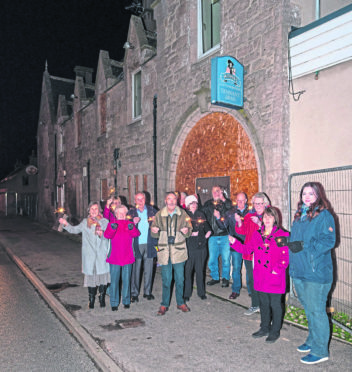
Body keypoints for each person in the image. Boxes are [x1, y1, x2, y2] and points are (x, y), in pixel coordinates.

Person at [289, 182, 336, 365]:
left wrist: (305, 247)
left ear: (318, 195)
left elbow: (329, 241)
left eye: (311, 193)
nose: (307, 196)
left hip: (316, 273)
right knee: (308, 309)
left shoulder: (324, 216)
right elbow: (296, 241)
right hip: (300, 271)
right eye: (304, 193)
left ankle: (320, 350)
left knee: (317, 311)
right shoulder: (300, 215)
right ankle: (312, 339)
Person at [230, 206, 289, 343]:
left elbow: (285, 257)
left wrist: (277, 270)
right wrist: (234, 242)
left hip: (275, 276)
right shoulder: (257, 234)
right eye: (265, 217)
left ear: (275, 219)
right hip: (261, 276)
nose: (267, 219)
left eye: (270, 217)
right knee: (263, 303)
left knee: (275, 304)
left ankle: (275, 331)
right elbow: (247, 249)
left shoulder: (282, 235)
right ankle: (264, 328)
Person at [59, 202, 110, 309]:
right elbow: (74, 230)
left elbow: (109, 236)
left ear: (99, 210)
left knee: (102, 277)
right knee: (91, 277)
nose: (94, 211)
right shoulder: (85, 222)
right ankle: (91, 299)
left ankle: (101, 298)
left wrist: (103, 235)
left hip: (101, 254)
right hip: (89, 255)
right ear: (89, 211)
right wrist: (65, 224)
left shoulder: (105, 222)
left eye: (96, 209)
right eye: (92, 209)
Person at [151, 192, 192, 315]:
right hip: (164, 252)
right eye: (169, 199)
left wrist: (186, 231)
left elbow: (189, 230)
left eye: (174, 199)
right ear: (165, 200)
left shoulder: (183, 214)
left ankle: (180, 302)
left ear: (177, 201)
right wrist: (154, 231)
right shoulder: (159, 215)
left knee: (180, 279)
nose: (172, 201)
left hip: (179, 252)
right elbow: (154, 235)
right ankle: (164, 304)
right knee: (166, 280)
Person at [235, 192, 270, 315]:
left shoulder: (270, 215)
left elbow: (273, 232)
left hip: (265, 254)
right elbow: (243, 231)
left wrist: (260, 224)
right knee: (252, 279)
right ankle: (255, 305)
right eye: (256, 203)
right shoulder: (250, 215)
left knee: (264, 279)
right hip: (250, 253)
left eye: (260, 203)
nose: (258, 205)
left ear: (265, 204)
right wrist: (239, 222)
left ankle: (266, 305)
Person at [104, 205, 140, 311]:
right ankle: (114, 303)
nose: (121, 214)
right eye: (119, 213)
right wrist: (112, 228)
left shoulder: (129, 224)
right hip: (115, 257)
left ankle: (126, 301)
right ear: (115, 214)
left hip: (127, 257)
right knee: (114, 281)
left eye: (123, 213)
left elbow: (136, 234)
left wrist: (132, 228)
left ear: (126, 214)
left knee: (126, 280)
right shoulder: (112, 224)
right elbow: (107, 235)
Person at [215, 192, 249, 299]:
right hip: (236, 244)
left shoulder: (250, 212)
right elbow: (223, 225)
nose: (240, 203)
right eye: (238, 200)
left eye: (242, 200)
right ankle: (235, 290)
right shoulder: (231, 213)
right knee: (236, 268)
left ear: (246, 201)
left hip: (249, 244)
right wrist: (218, 217)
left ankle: (251, 290)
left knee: (250, 269)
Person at [127, 192, 158, 302]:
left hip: (150, 243)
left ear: (145, 199)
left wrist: (156, 222)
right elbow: (126, 227)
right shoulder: (131, 212)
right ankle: (134, 293)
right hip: (137, 244)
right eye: (137, 199)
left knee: (149, 269)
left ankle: (147, 292)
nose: (140, 201)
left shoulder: (152, 210)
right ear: (134, 201)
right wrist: (132, 223)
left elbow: (160, 225)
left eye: (142, 199)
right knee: (136, 269)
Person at [202, 185, 232, 287]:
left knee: (225, 259)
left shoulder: (226, 203)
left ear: (221, 192)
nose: (216, 193)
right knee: (212, 260)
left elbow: (230, 207)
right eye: (214, 191)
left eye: (218, 191)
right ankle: (215, 277)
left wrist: (223, 199)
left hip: (224, 236)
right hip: (213, 236)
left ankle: (225, 278)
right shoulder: (208, 204)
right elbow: (202, 214)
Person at [184, 195, 212, 301]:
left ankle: (201, 292)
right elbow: (181, 230)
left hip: (201, 247)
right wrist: (190, 234)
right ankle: (187, 293)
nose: (194, 205)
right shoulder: (184, 215)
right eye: (192, 203)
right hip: (189, 247)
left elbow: (208, 228)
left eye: (195, 203)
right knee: (188, 271)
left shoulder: (201, 214)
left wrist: (205, 236)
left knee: (200, 271)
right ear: (188, 205)